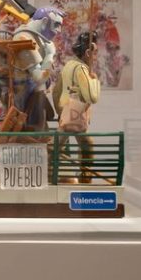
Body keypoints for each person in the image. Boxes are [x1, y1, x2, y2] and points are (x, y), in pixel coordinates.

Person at [54, 31, 101, 183]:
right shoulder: (81, 69)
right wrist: (95, 81)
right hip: (76, 116)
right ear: (87, 53)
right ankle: (85, 179)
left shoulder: (68, 65)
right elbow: (92, 97)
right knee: (87, 145)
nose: (96, 57)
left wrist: (61, 111)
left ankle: (54, 174)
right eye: (95, 53)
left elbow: (56, 91)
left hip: (66, 114)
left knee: (57, 145)